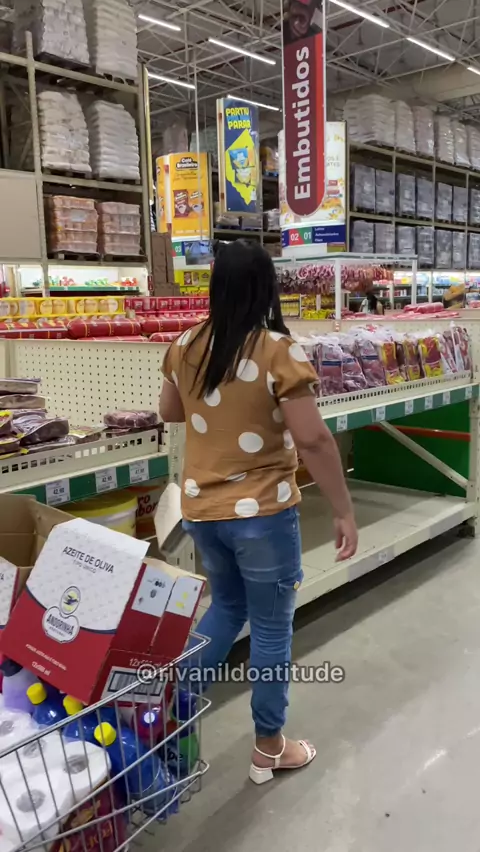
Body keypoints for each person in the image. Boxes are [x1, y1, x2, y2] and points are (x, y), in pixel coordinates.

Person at [159, 240, 358, 785]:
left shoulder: (184, 345)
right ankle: (269, 747)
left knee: (225, 608)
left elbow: (170, 411)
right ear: (266, 288)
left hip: (202, 511)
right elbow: (313, 439)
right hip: (262, 515)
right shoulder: (277, 351)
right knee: (271, 629)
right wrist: (342, 509)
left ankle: (169, 716)